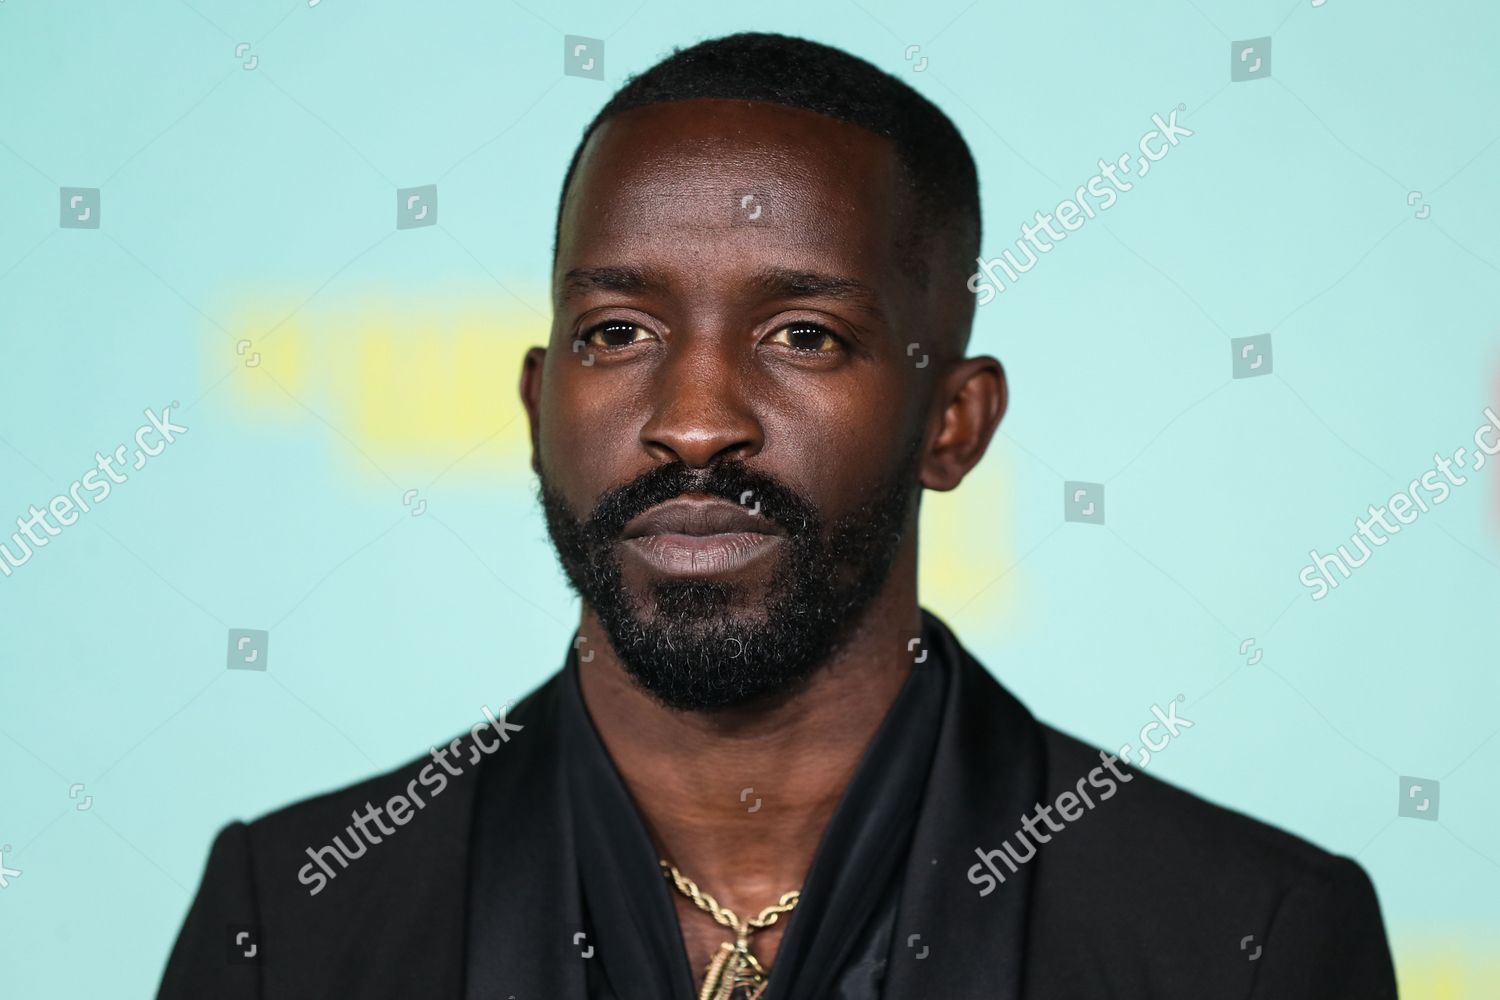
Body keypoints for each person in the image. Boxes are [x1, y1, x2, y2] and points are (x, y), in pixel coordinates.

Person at [158, 31, 1398, 999]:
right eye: (619, 332)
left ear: (951, 424)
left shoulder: (1247, 940)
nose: (695, 421)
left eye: (803, 335)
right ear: (541, 401)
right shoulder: (296, 917)